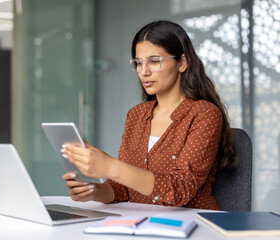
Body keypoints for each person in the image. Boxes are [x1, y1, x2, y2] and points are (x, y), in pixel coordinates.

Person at [61, 20, 237, 210]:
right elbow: (122, 189)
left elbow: (179, 190)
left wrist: (109, 166)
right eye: (138, 63)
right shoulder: (136, 115)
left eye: (154, 61)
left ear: (182, 63)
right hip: (141, 222)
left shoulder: (205, 114)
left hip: (193, 224)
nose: (143, 72)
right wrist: (93, 191)